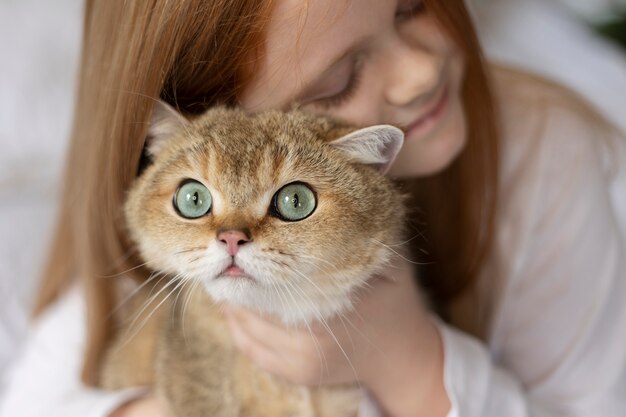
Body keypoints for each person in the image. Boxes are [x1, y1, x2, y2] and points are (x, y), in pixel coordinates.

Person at [1, 0, 625, 416]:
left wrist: (406, 359)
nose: (420, 71)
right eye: (338, 79)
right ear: (214, 124)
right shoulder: (174, 225)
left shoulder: (546, 149)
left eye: (412, 4)